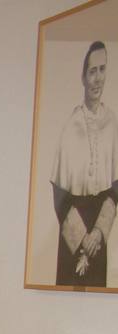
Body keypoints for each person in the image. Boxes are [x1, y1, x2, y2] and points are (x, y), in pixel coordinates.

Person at [52, 40, 118, 285]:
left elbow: (116, 188)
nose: (98, 78)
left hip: (99, 236)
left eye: (103, 70)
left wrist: (98, 234)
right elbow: (60, 194)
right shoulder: (71, 126)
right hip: (73, 234)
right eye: (92, 71)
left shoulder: (113, 123)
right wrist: (82, 241)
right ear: (83, 77)